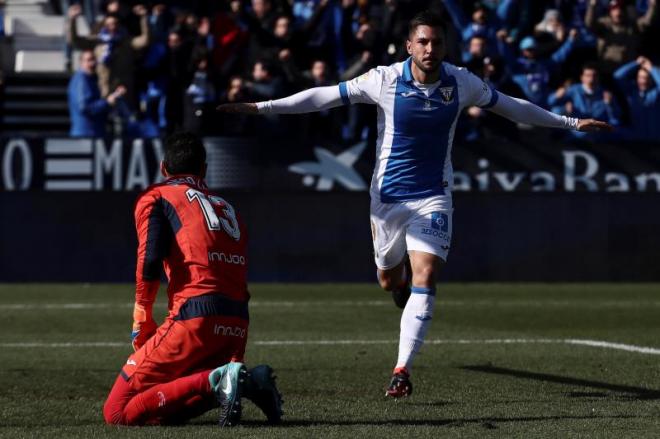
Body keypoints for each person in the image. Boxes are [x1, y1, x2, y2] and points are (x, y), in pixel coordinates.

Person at [216, 10, 611, 399]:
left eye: (437, 42)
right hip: (386, 198)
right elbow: (324, 97)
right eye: (423, 41)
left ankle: (401, 370)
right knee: (390, 278)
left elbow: (510, 106)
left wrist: (570, 123)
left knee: (426, 276)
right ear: (409, 45)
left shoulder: (461, 82)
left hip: (433, 195)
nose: (430, 49)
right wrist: (262, 108)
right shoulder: (384, 79)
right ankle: (399, 289)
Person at [102, 132, 283, 426]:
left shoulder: (157, 196)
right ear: (204, 169)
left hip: (195, 318)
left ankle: (221, 378)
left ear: (163, 168)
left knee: (118, 411)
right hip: (236, 323)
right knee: (162, 414)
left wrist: (141, 315)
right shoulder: (227, 206)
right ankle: (248, 382)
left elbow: (149, 259)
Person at [548, 63, 621, 139]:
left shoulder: (606, 94)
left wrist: (610, 105)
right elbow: (551, 102)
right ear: (582, 77)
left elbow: (615, 120)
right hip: (574, 130)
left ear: (599, 78)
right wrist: (557, 96)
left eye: (594, 75)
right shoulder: (574, 90)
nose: (591, 79)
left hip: (596, 134)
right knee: (557, 110)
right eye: (588, 75)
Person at [67, 50, 126, 137]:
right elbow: (84, 107)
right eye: (88, 60)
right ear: (81, 63)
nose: (92, 63)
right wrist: (107, 102)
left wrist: (113, 97)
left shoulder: (91, 79)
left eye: (94, 60)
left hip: (93, 134)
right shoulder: (82, 80)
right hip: (85, 136)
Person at [613, 55, 660, 141]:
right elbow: (617, 77)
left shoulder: (656, 92)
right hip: (636, 139)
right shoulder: (632, 91)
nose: (643, 81)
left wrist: (651, 68)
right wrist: (635, 63)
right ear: (637, 79)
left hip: (656, 140)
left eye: (647, 78)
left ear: (652, 79)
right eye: (641, 77)